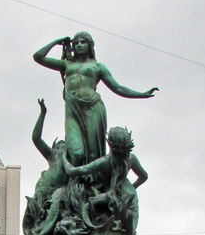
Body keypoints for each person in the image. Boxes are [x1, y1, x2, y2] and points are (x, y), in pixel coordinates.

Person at [33, 32, 157, 166]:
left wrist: (141, 94)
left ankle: (91, 184)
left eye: (83, 42)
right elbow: (38, 57)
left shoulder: (98, 67)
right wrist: (57, 41)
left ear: (90, 45)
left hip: (93, 108)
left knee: (93, 154)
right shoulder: (66, 65)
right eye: (76, 43)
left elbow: (118, 88)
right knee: (76, 153)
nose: (79, 45)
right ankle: (74, 181)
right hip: (72, 111)